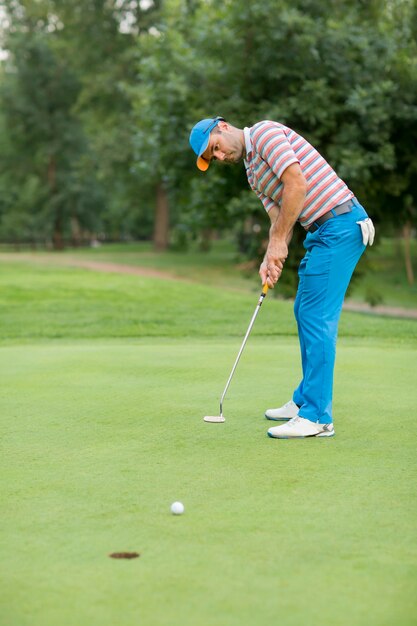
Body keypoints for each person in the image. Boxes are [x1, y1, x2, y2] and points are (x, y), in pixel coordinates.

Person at [189, 116, 375, 439]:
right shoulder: (252, 172)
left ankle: (317, 417)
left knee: (317, 315)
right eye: (212, 158)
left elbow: (297, 184)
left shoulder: (265, 134)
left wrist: (277, 242)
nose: (218, 157)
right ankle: (305, 400)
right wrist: (270, 257)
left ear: (223, 126)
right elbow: (279, 221)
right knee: (304, 309)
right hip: (321, 231)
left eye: (215, 149)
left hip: (341, 225)